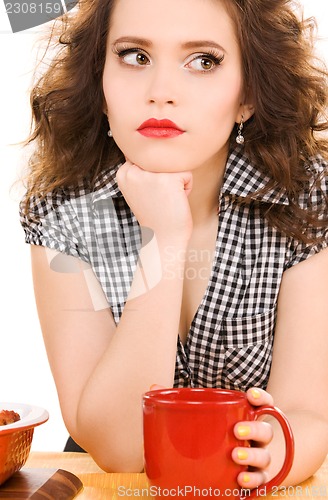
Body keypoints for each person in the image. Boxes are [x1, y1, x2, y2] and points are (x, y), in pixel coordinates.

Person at [20, 0, 328, 490]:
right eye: (134, 56)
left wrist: (276, 451)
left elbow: (308, 412)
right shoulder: (62, 212)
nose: (160, 93)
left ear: (247, 95)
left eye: (204, 61)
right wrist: (165, 241)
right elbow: (120, 449)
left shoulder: (304, 197)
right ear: (98, 83)